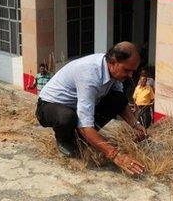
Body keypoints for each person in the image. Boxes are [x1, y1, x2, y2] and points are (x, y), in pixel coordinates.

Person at [36, 42, 147, 176]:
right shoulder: (89, 75)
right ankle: (64, 140)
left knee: (118, 99)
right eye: (127, 70)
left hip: (76, 107)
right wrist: (115, 155)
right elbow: (85, 124)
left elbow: (120, 100)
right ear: (112, 62)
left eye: (133, 71)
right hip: (50, 106)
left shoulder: (114, 72)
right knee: (67, 117)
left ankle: (83, 139)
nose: (130, 75)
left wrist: (135, 124)